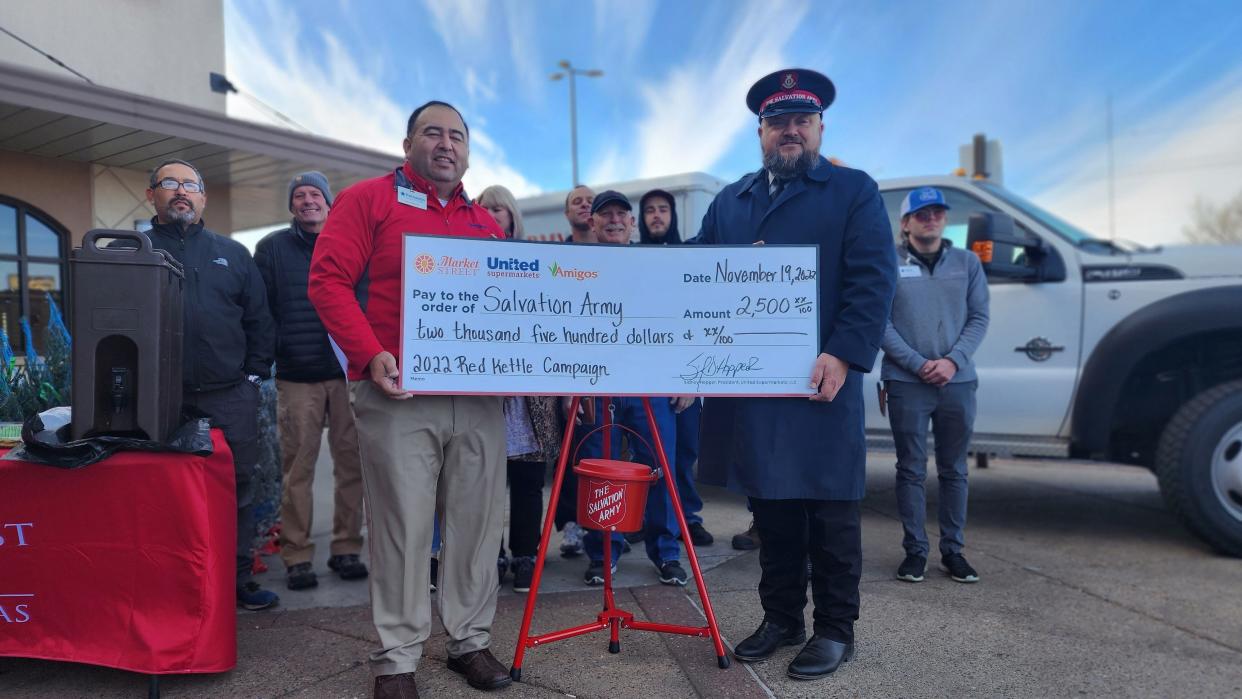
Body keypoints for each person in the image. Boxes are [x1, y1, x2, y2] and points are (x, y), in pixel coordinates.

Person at [691, 69, 897, 681]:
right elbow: (696, 281)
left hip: (819, 386)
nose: (790, 131)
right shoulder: (731, 201)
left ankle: (837, 629)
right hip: (754, 393)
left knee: (831, 515)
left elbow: (873, 281)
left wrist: (844, 353)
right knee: (772, 512)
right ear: (760, 131)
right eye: (777, 122)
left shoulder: (853, 191)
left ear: (819, 128)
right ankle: (782, 618)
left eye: (801, 121)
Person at [308, 101, 511, 697]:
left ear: (468, 151)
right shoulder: (368, 200)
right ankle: (396, 657)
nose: (446, 144)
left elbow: (515, 309)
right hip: (398, 392)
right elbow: (327, 280)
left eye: (457, 136)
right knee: (403, 526)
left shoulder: (486, 225)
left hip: (476, 400)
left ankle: (469, 642)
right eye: (433, 133)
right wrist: (370, 355)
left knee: (476, 526)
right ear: (407, 144)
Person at [140, 158, 279, 611]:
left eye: (190, 186)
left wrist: (254, 377)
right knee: (164, 492)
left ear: (203, 197)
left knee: (234, 489)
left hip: (229, 396)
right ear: (152, 195)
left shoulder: (232, 253)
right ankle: (170, 581)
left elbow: (259, 319)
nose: (181, 192)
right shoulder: (134, 251)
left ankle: (236, 579)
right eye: (170, 184)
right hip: (160, 398)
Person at [254, 172, 368, 592]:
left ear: (329, 202)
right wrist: (268, 357)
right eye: (299, 195)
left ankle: (346, 548)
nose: (307, 201)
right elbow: (261, 311)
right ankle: (297, 554)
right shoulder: (271, 249)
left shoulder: (351, 243)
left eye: (315, 194)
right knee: (296, 470)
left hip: (346, 373)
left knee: (351, 465)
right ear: (291, 206)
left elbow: (368, 299)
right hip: (296, 376)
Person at [575, 190, 692, 587]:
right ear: (592, 223)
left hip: (652, 383)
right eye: (604, 214)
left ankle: (667, 553)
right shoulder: (575, 268)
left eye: (620, 215)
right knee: (600, 471)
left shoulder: (657, 265)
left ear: (632, 223)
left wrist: (687, 378)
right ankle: (603, 552)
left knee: (660, 467)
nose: (613, 220)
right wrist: (568, 391)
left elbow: (683, 319)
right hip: (597, 387)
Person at [882, 186, 989, 584]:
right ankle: (915, 552)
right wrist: (917, 363)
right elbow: (880, 321)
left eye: (938, 213)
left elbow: (978, 317)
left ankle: (953, 551)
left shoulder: (967, 262)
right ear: (906, 222)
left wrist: (951, 361)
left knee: (954, 469)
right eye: (922, 213)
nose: (931, 219)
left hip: (957, 381)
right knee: (910, 468)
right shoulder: (887, 262)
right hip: (906, 382)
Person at [477, 184, 563, 593]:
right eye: (486, 209)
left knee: (528, 483)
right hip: (485, 394)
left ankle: (526, 556)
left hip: (529, 395)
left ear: (513, 216)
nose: (494, 215)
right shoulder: (464, 260)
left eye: (501, 209)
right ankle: (489, 554)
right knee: (485, 483)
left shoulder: (534, 259)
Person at [637, 189, 713, 547]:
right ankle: (649, 520)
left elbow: (702, 320)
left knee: (683, 455)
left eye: (662, 209)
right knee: (648, 458)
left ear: (673, 216)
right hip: (645, 381)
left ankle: (688, 518)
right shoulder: (631, 259)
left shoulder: (690, 257)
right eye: (649, 210)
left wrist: (693, 380)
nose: (656, 216)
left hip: (685, 378)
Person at [554, 184, 596, 559]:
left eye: (590, 200)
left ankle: (609, 528)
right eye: (576, 201)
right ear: (567, 214)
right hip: (569, 374)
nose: (585, 205)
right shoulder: (559, 257)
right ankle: (571, 526)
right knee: (573, 458)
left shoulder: (615, 252)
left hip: (613, 378)